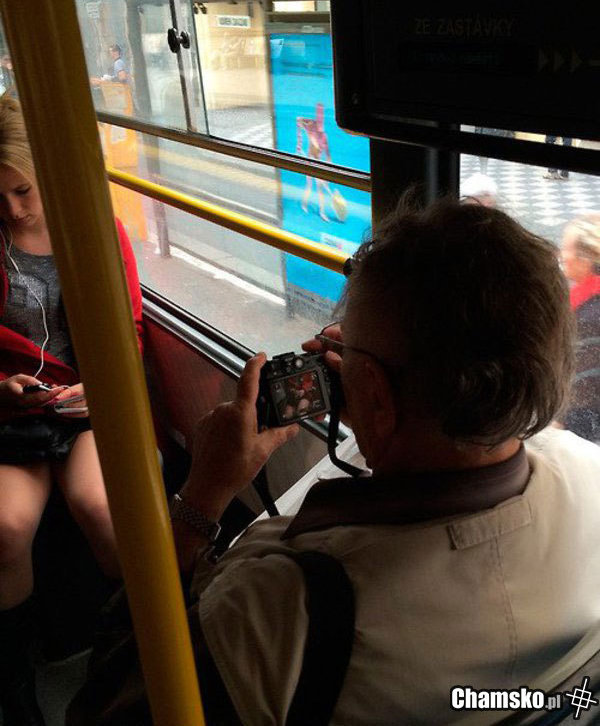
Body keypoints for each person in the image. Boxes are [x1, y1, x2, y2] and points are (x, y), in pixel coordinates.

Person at [70, 196, 600, 725]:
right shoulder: (588, 471)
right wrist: (380, 414)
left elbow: (104, 703)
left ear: (374, 389)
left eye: (355, 360)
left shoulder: (279, 606)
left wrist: (201, 497)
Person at [0, 94, 143, 726]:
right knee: (6, 527)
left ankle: (135, 652)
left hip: (90, 404)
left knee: (101, 507)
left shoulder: (94, 227)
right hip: (17, 414)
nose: (13, 210)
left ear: (44, 172)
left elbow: (127, 332)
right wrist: (4, 389)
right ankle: (17, 688)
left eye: (22, 191)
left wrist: (100, 386)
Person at [560, 215, 600, 441]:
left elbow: (585, 389)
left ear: (584, 260)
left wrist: (558, 424)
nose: (561, 255)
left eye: (565, 248)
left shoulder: (589, 314)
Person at [296, 103, 347, 223]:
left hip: (318, 162)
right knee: (309, 185)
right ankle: (304, 204)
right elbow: (298, 119)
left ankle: (322, 212)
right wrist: (299, 143)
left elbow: (328, 156)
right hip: (310, 160)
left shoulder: (324, 137)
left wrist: (327, 174)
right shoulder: (311, 129)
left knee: (320, 188)